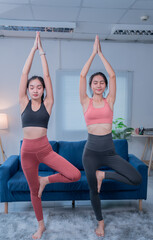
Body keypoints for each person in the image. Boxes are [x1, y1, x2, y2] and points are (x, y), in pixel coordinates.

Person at [19, 32, 81, 239]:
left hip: (45, 150)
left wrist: (42, 52)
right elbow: (23, 72)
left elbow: (47, 76)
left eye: (38, 87)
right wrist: (32, 50)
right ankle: (40, 226)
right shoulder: (22, 103)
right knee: (33, 191)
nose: (35, 89)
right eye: (31, 87)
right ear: (28, 90)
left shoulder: (48, 103)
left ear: (43, 90)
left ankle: (46, 180)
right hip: (27, 153)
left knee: (74, 174)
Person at [79, 35, 142, 237]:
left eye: (101, 82)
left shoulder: (110, 101)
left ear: (105, 86)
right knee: (93, 191)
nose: (98, 85)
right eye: (95, 82)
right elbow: (82, 76)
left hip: (108, 151)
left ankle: (103, 175)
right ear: (91, 86)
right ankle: (100, 222)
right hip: (90, 152)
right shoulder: (85, 101)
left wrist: (101, 54)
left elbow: (113, 75)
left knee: (136, 178)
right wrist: (91, 54)